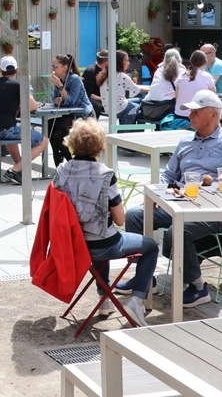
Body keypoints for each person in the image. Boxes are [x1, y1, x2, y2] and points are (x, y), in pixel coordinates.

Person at [124, 90, 222, 309]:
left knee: (178, 229)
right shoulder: (185, 142)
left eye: (195, 112)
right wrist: (158, 194)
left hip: (214, 209)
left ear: (213, 114)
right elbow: (168, 175)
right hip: (180, 202)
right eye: (190, 112)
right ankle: (145, 278)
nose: (189, 116)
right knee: (134, 215)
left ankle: (198, 286)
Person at [53, 118, 158, 326]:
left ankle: (104, 300)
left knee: (99, 238)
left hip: (74, 245)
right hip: (102, 245)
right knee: (151, 246)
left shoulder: (61, 171)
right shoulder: (105, 174)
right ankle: (137, 300)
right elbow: (120, 219)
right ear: (99, 145)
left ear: (72, 143)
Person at [0, 55, 49, 185]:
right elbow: (33, 106)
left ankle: (18, 170)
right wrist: (26, 86)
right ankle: (14, 170)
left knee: (11, 135)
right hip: (3, 130)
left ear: (0, 71)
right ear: (17, 70)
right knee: (43, 141)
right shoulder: (18, 85)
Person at [48, 53, 94, 165]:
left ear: (64, 68)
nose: (52, 69)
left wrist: (60, 87)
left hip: (83, 115)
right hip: (69, 115)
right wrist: (57, 100)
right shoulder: (59, 80)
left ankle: (71, 163)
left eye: (55, 66)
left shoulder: (75, 79)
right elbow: (55, 98)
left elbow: (71, 101)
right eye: (52, 66)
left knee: (55, 130)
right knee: (53, 132)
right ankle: (63, 163)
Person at [166, 50, 215, 129]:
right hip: (198, 116)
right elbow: (213, 97)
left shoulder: (181, 75)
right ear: (205, 62)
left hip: (179, 115)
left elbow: (177, 96)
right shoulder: (207, 77)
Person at [82, 51, 109, 118]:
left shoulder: (109, 70)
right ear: (105, 63)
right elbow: (87, 93)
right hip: (92, 98)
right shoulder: (90, 72)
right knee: (97, 106)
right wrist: (102, 99)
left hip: (105, 97)